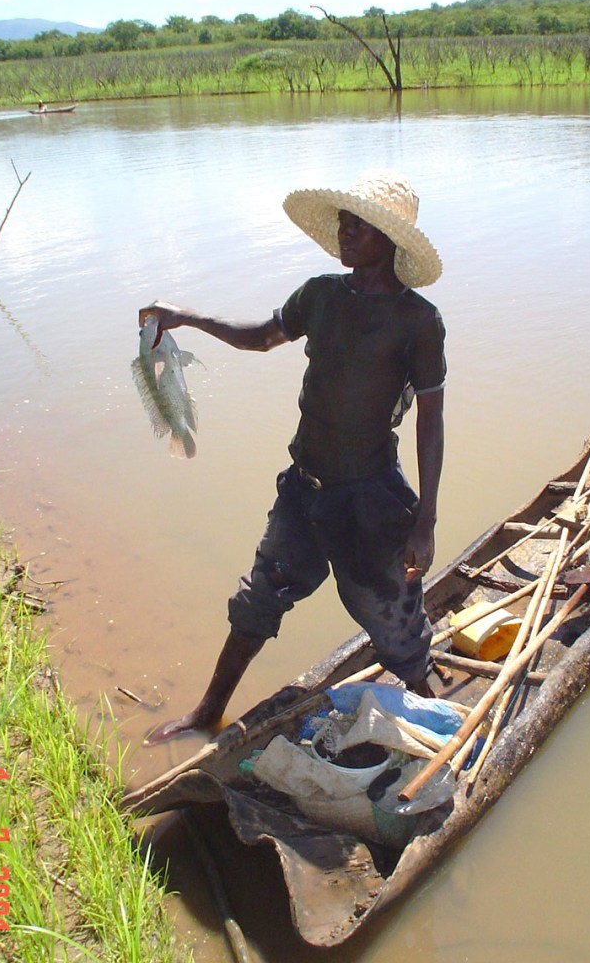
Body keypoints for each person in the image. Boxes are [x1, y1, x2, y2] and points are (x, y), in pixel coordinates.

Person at [140, 168, 447, 746]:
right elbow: (261, 336)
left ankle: (442, 726)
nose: (345, 232)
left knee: (399, 633)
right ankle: (208, 713)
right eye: (344, 223)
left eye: (359, 225)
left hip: (371, 498)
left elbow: (431, 425)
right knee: (258, 601)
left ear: (390, 240)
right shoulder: (321, 295)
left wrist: (425, 522)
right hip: (305, 489)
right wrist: (188, 317)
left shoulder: (418, 322)